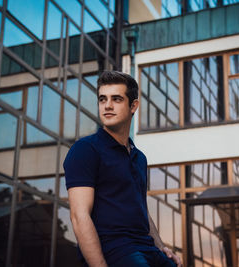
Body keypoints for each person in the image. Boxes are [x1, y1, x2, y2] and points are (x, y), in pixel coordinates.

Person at [63, 71, 182, 267]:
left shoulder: (139, 158)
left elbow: (140, 209)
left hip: (145, 247)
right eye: (103, 99)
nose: (107, 105)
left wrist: (161, 247)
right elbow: (79, 216)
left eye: (116, 99)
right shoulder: (85, 149)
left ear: (133, 105)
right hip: (114, 248)